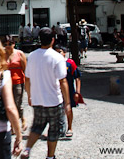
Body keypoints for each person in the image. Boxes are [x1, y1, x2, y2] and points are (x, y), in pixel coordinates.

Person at [20, 28, 71, 159]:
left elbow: (27, 78)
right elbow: (62, 80)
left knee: (37, 126)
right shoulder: (57, 57)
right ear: (53, 40)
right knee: (54, 131)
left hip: (38, 99)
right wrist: (68, 101)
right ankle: (50, 156)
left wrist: (29, 95)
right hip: (54, 100)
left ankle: (27, 149)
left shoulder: (31, 56)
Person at [54, 45, 82, 139]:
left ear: (64, 53)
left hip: (69, 90)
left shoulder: (70, 63)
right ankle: (55, 129)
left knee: (68, 109)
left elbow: (77, 78)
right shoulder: (53, 63)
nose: (58, 54)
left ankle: (69, 128)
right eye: (56, 52)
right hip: (56, 90)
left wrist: (77, 92)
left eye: (60, 52)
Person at [4, 35, 28, 133]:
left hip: (18, 81)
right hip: (6, 82)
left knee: (17, 103)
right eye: (5, 44)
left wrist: (26, 83)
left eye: (10, 44)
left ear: (14, 44)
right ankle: (13, 124)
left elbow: (24, 68)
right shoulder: (2, 54)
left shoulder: (19, 54)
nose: (8, 46)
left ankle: (19, 121)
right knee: (8, 104)